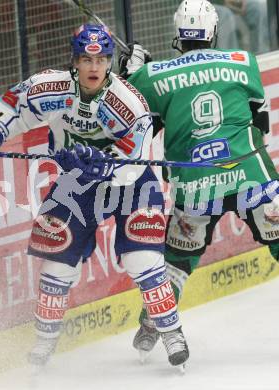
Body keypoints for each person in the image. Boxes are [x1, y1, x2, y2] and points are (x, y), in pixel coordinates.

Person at [0, 24, 189, 369]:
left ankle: (172, 331)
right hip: (77, 183)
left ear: (110, 63)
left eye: (101, 59)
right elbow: (14, 107)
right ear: (75, 61)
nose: (93, 67)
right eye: (86, 58)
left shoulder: (128, 103)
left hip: (132, 181)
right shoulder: (50, 86)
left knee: (141, 260)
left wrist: (99, 164)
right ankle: (44, 342)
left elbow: (133, 159)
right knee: (55, 261)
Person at [119, 0, 279, 357]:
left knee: (177, 260)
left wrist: (132, 72)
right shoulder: (243, 62)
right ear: (214, 30)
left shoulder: (154, 76)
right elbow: (260, 120)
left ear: (178, 34)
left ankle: (151, 323)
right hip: (250, 175)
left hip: (195, 185)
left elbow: (129, 110)